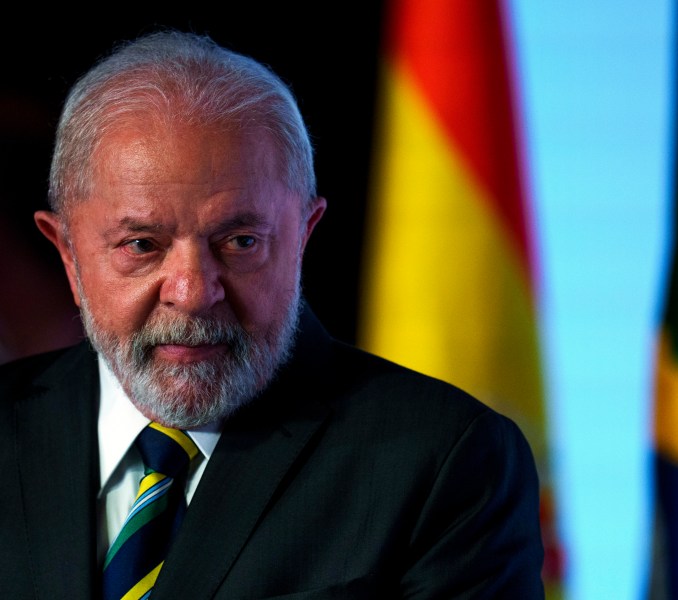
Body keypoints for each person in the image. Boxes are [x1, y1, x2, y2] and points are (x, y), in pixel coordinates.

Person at [0, 29, 545, 599]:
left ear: (303, 235)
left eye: (239, 241)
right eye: (142, 246)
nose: (191, 292)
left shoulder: (444, 463)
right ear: (66, 252)